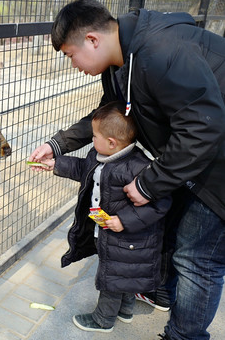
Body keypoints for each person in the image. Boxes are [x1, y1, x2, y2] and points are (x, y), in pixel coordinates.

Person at [29, 0, 225, 340]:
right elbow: (111, 113)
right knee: (177, 237)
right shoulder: (124, 62)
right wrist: (58, 144)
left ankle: (184, 336)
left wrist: (150, 183)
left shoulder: (161, 52)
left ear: (92, 39)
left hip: (217, 162)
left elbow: (203, 128)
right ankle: (162, 291)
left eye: (70, 55)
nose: (73, 64)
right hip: (198, 154)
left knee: (198, 259)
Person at [39, 102, 172, 333]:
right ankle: (125, 310)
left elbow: (160, 204)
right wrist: (56, 164)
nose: (92, 140)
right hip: (109, 233)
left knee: (113, 278)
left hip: (128, 236)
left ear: (112, 142)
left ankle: (103, 320)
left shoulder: (138, 167)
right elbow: (83, 169)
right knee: (125, 275)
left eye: (94, 136)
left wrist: (124, 220)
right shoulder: (100, 155)